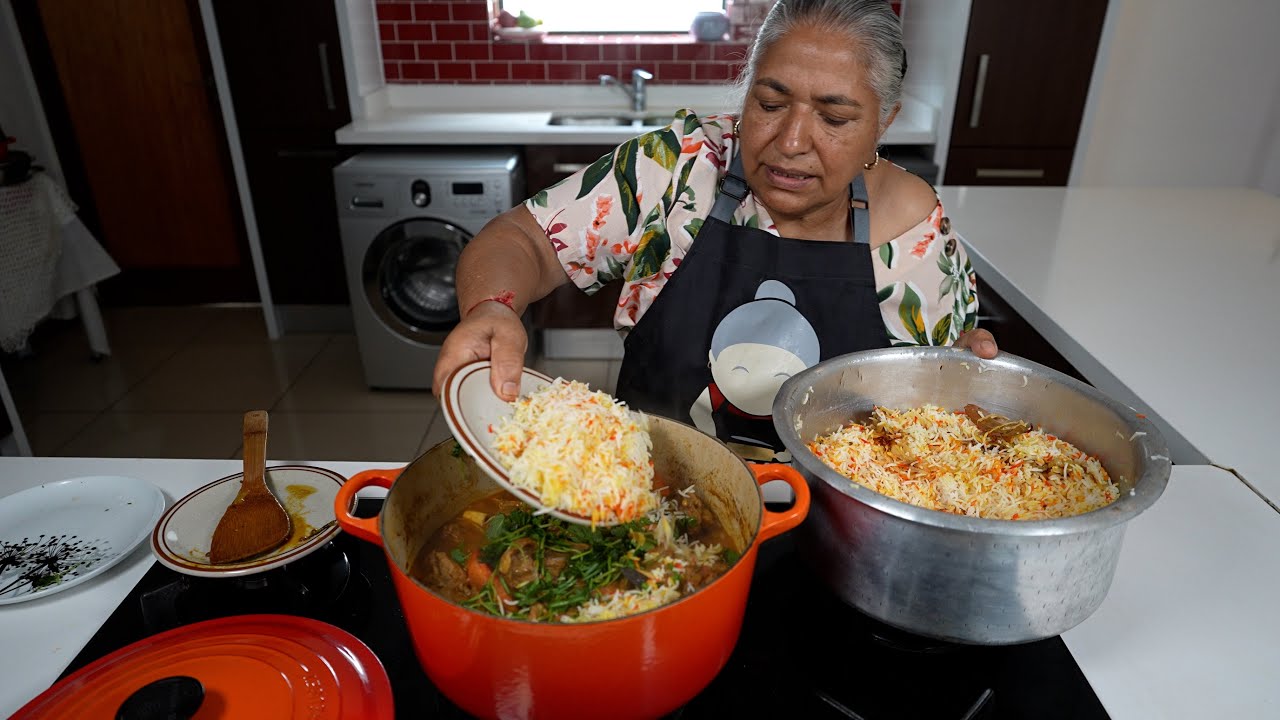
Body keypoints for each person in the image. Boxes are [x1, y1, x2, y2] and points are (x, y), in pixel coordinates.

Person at [432, 0, 999, 465]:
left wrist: (958, 380)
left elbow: (933, 393)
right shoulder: (678, 167)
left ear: (884, 121)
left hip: (833, 535)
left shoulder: (913, 226)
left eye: (834, 118)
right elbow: (522, 239)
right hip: (644, 500)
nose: (792, 140)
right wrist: (494, 307)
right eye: (770, 102)